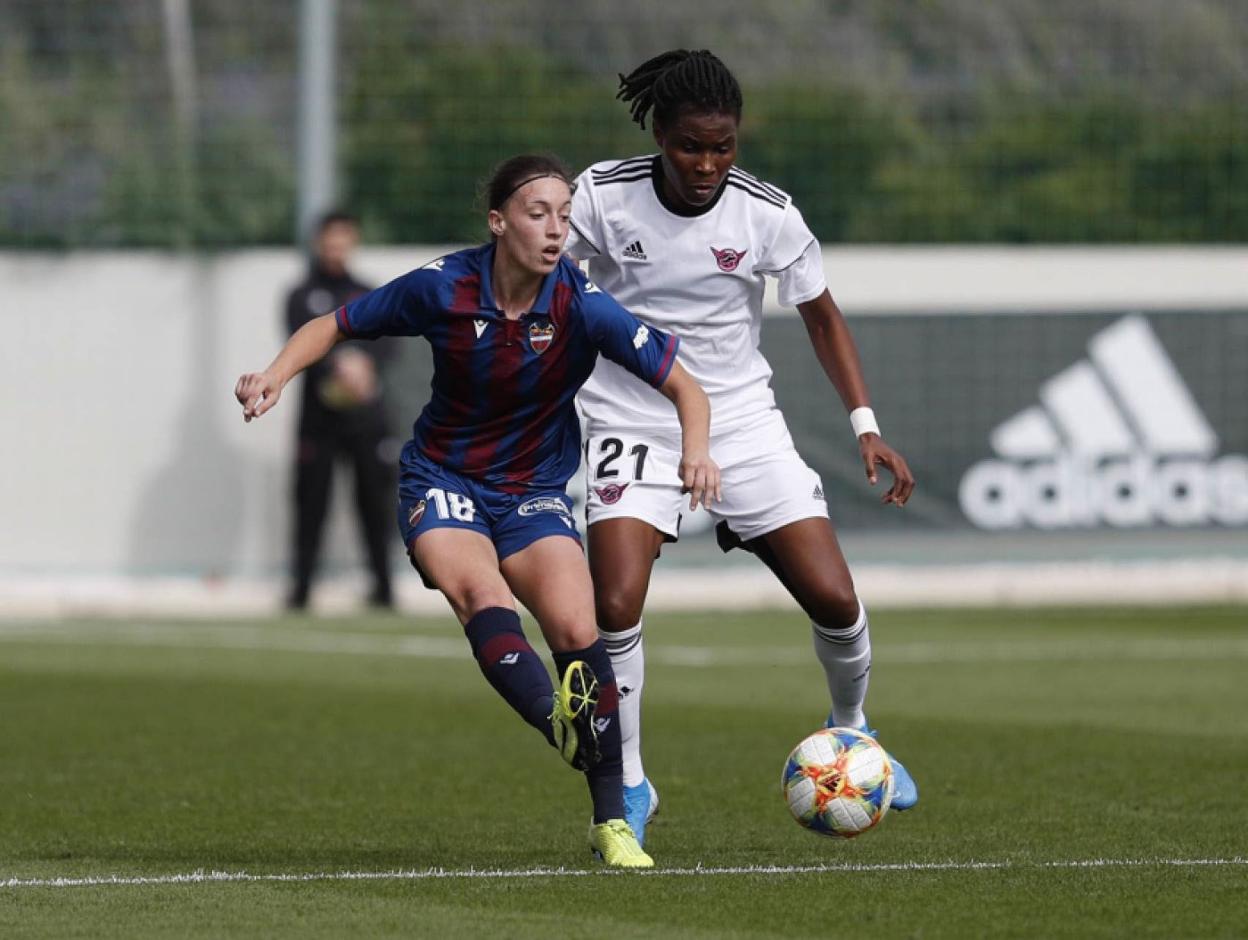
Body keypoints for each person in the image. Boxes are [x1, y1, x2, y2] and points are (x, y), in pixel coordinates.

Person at [236, 155, 721, 868]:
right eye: (536, 213)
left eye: (564, 215)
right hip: (442, 478)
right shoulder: (443, 287)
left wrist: (697, 452)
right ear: (498, 222)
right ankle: (557, 724)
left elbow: (688, 388)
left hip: (533, 491)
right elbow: (336, 324)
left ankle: (611, 821)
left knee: (578, 628)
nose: (555, 229)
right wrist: (274, 375)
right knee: (480, 593)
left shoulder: (581, 306)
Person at [564, 50, 918, 846]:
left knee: (836, 600)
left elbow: (823, 317)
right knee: (614, 605)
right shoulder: (602, 196)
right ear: (660, 133)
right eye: (692, 145)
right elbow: (546, 276)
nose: (707, 164)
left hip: (742, 424)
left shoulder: (766, 213)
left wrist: (865, 425)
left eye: (723, 147)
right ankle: (629, 784)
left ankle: (855, 735)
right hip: (633, 421)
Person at [284, 210, 396, 611]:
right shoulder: (300, 295)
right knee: (310, 505)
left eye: (343, 239)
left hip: (366, 421)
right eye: (329, 240)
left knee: (374, 504)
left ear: (352, 242)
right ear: (319, 243)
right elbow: (301, 343)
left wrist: (364, 365)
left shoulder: (368, 292)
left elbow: (387, 342)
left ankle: (384, 589)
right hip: (318, 422)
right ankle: (300, 591)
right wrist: (338, 364)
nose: (336, 247)